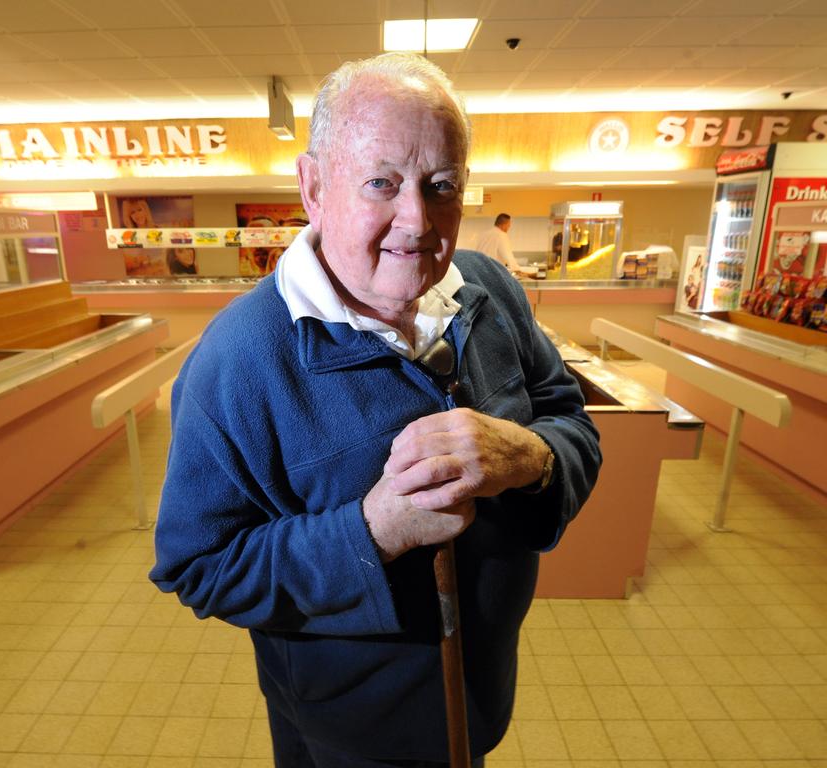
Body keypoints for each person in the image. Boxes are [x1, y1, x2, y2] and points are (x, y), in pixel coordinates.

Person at [150, 52, 601, 767]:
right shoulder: (238, 360)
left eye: (441, 185)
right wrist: (372, 531)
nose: (416, 220)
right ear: (314, 186)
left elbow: (568, 420)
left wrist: (532, 458)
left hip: (479, 698)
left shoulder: (488, 289)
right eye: (381, 182)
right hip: (344, 730)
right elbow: (200, 566)